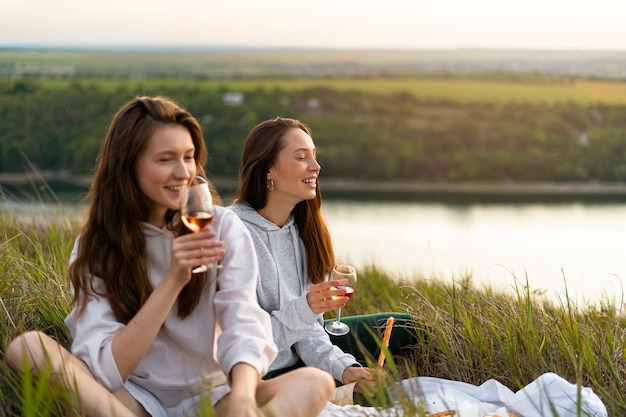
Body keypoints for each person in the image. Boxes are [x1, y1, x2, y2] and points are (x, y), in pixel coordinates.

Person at [6, 96, 334, 417]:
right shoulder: (96, 247)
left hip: (214, 395)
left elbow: (244, 323)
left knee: (315, 383)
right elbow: (105, 371)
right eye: (165, 160)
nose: (183, 172)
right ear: (128, 165)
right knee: (29, 347)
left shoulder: (221, 225)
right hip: (136, 398)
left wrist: (243, 399)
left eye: (189, 157)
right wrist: (173, 280)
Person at [228, 117, 379, 396]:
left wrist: (343, 369)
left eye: (314, 155)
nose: (316, 166)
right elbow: (244, 342)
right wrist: (306, 308)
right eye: (301, 157)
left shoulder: (304, 231)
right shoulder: (232, 232)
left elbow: (308, 331)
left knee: (405, 327)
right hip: (261, 374)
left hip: (302, 360)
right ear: (267, 170)